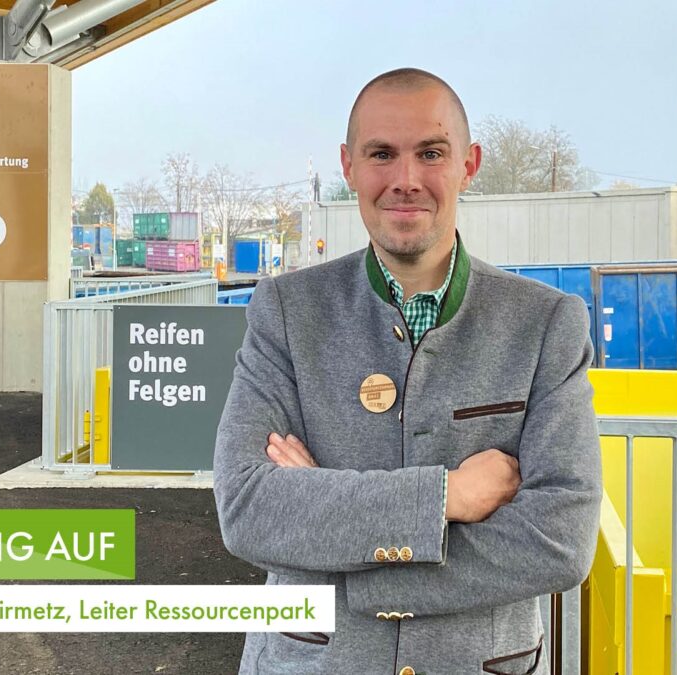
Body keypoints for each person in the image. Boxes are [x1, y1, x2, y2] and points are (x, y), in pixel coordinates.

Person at [213, 68, 602, 675]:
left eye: (431, 153)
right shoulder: (287, 311)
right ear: (349, 166)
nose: (406, 179)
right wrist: (450, 495)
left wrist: (343, 547)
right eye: (381, 154)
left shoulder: (545, 323)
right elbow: (249, 508)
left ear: (468, 164)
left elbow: (560, 539)